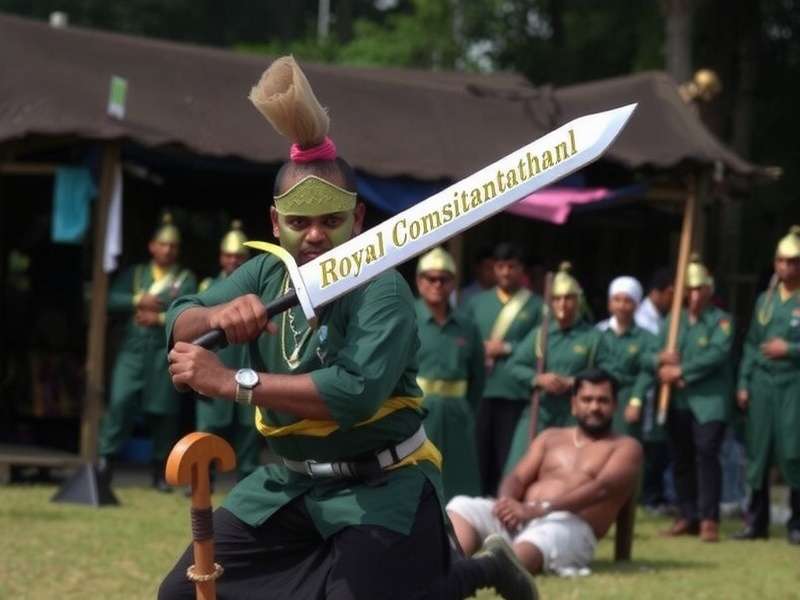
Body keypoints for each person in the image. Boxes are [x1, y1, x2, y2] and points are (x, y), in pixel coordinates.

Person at [158, 56, 536, 600]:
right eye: (299, 222)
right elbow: (180, 318)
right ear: (274, 224)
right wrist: (214, 316)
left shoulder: (383, 287)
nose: (314, 236)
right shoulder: (264, 270)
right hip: (290, 483)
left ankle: (478, 569)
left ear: (358, 220)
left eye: (331, 221)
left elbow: (353, 392)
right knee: (179, 594)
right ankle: (460, 572)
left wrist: (231, 382)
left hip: (382, 483)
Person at [447, 368, 642, 577]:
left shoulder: (626, 447)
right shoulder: (551, 437)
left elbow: (601, 489)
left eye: (603, 400)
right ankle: (448, 563)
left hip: (569, 525)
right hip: (522, 515)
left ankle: (481, 573)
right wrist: (507, 504)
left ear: (614, 406)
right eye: (587, 399)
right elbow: (517, 477)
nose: (594, 407)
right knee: (462, 505)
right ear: (574, 404)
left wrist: (540, 510)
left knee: (544, 536)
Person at [98, 214, 197, 492]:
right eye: (162, 244)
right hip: (132, 351)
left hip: (163, 351)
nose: (167, 250)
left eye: (172, 246)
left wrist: (160, 319)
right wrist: (135, 300)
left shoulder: (185, 279)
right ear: (152, 246)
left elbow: (192, 313)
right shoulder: (136, 274)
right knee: (120, 402)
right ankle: (105, 463)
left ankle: (159, 471)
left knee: (163, 411)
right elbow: (108, 299)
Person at [655, 256, 732, 542]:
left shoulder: (721, 321)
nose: (696, 295)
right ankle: (688, 514)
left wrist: (682, 370)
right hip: (678, 402)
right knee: (681, 458)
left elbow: (716, 353)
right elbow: (658, 350)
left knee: (707, 455)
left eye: (701, 289)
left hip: (709, 402)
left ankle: (709, 518)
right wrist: (662, 365)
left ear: (710, 290)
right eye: (691, 289)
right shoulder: (673, 322)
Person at [734, 226, 800, 545]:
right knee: (757, 452)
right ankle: (755, 522)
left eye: (794, 261)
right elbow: (750, 343)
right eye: (782, 261)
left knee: (792, 451)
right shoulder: (765, 299)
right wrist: (744, 382)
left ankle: (796, 522)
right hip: (762, 382)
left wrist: (789, 349)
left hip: (793, 382)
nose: (787, 267)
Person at [503, 262, 604, 472]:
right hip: (539, 410)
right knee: (521, 466)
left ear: (578, 301)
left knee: (566, 468)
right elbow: (515, 366)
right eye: (557, 299)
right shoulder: (540, 334)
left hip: (573, 414)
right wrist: (538, 379)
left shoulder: (593, 337)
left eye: (568, 298)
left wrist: (574, 382)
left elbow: (605, 372)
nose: (562, 304)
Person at [462, 242, 542, 496]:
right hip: (480, 389)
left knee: (508, 454)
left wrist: (506, 347)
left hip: (514, 389)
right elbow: (463, 339)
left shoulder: (537, 306)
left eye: (512, 266)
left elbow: (542, 343)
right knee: (477, 452)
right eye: (500, 266)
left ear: (521, 270)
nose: (506, 272)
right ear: (493, 269)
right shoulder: (476, 303)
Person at [195, 220, 263, 481]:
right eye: (228, 255)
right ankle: (202, 477)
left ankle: (246, 477)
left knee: (248, 424)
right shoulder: (207, 286)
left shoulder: (258, 288)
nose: (233, 260)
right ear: (221, 257)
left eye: (239, 256)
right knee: (210, 423)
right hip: (215, 361)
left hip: (247, 362)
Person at [415, 247, 485, 501]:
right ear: (419, 281)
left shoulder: (467, 325)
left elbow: (478, 377)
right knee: (417, 478)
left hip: (457, 413)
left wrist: (465, 408)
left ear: (453, 283)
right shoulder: (407, 318)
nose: (437, 284)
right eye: (430, 278)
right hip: (416, 412)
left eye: (443, 279)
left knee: (458, 481)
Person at [596, 276, 656, 439]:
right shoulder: (597, 333)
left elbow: (647, 372)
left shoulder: (647, 338)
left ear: (636, 305)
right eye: (617, 300)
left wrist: (636, 400)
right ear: (610, 303)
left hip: (626, 398)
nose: (621, 306)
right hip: (598, 396)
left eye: (628, 301)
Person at [635, 267, 674, 336]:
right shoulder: (642, 319)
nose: (672, 299)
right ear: (655, 293)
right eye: (670, 294)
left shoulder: (660, 316)